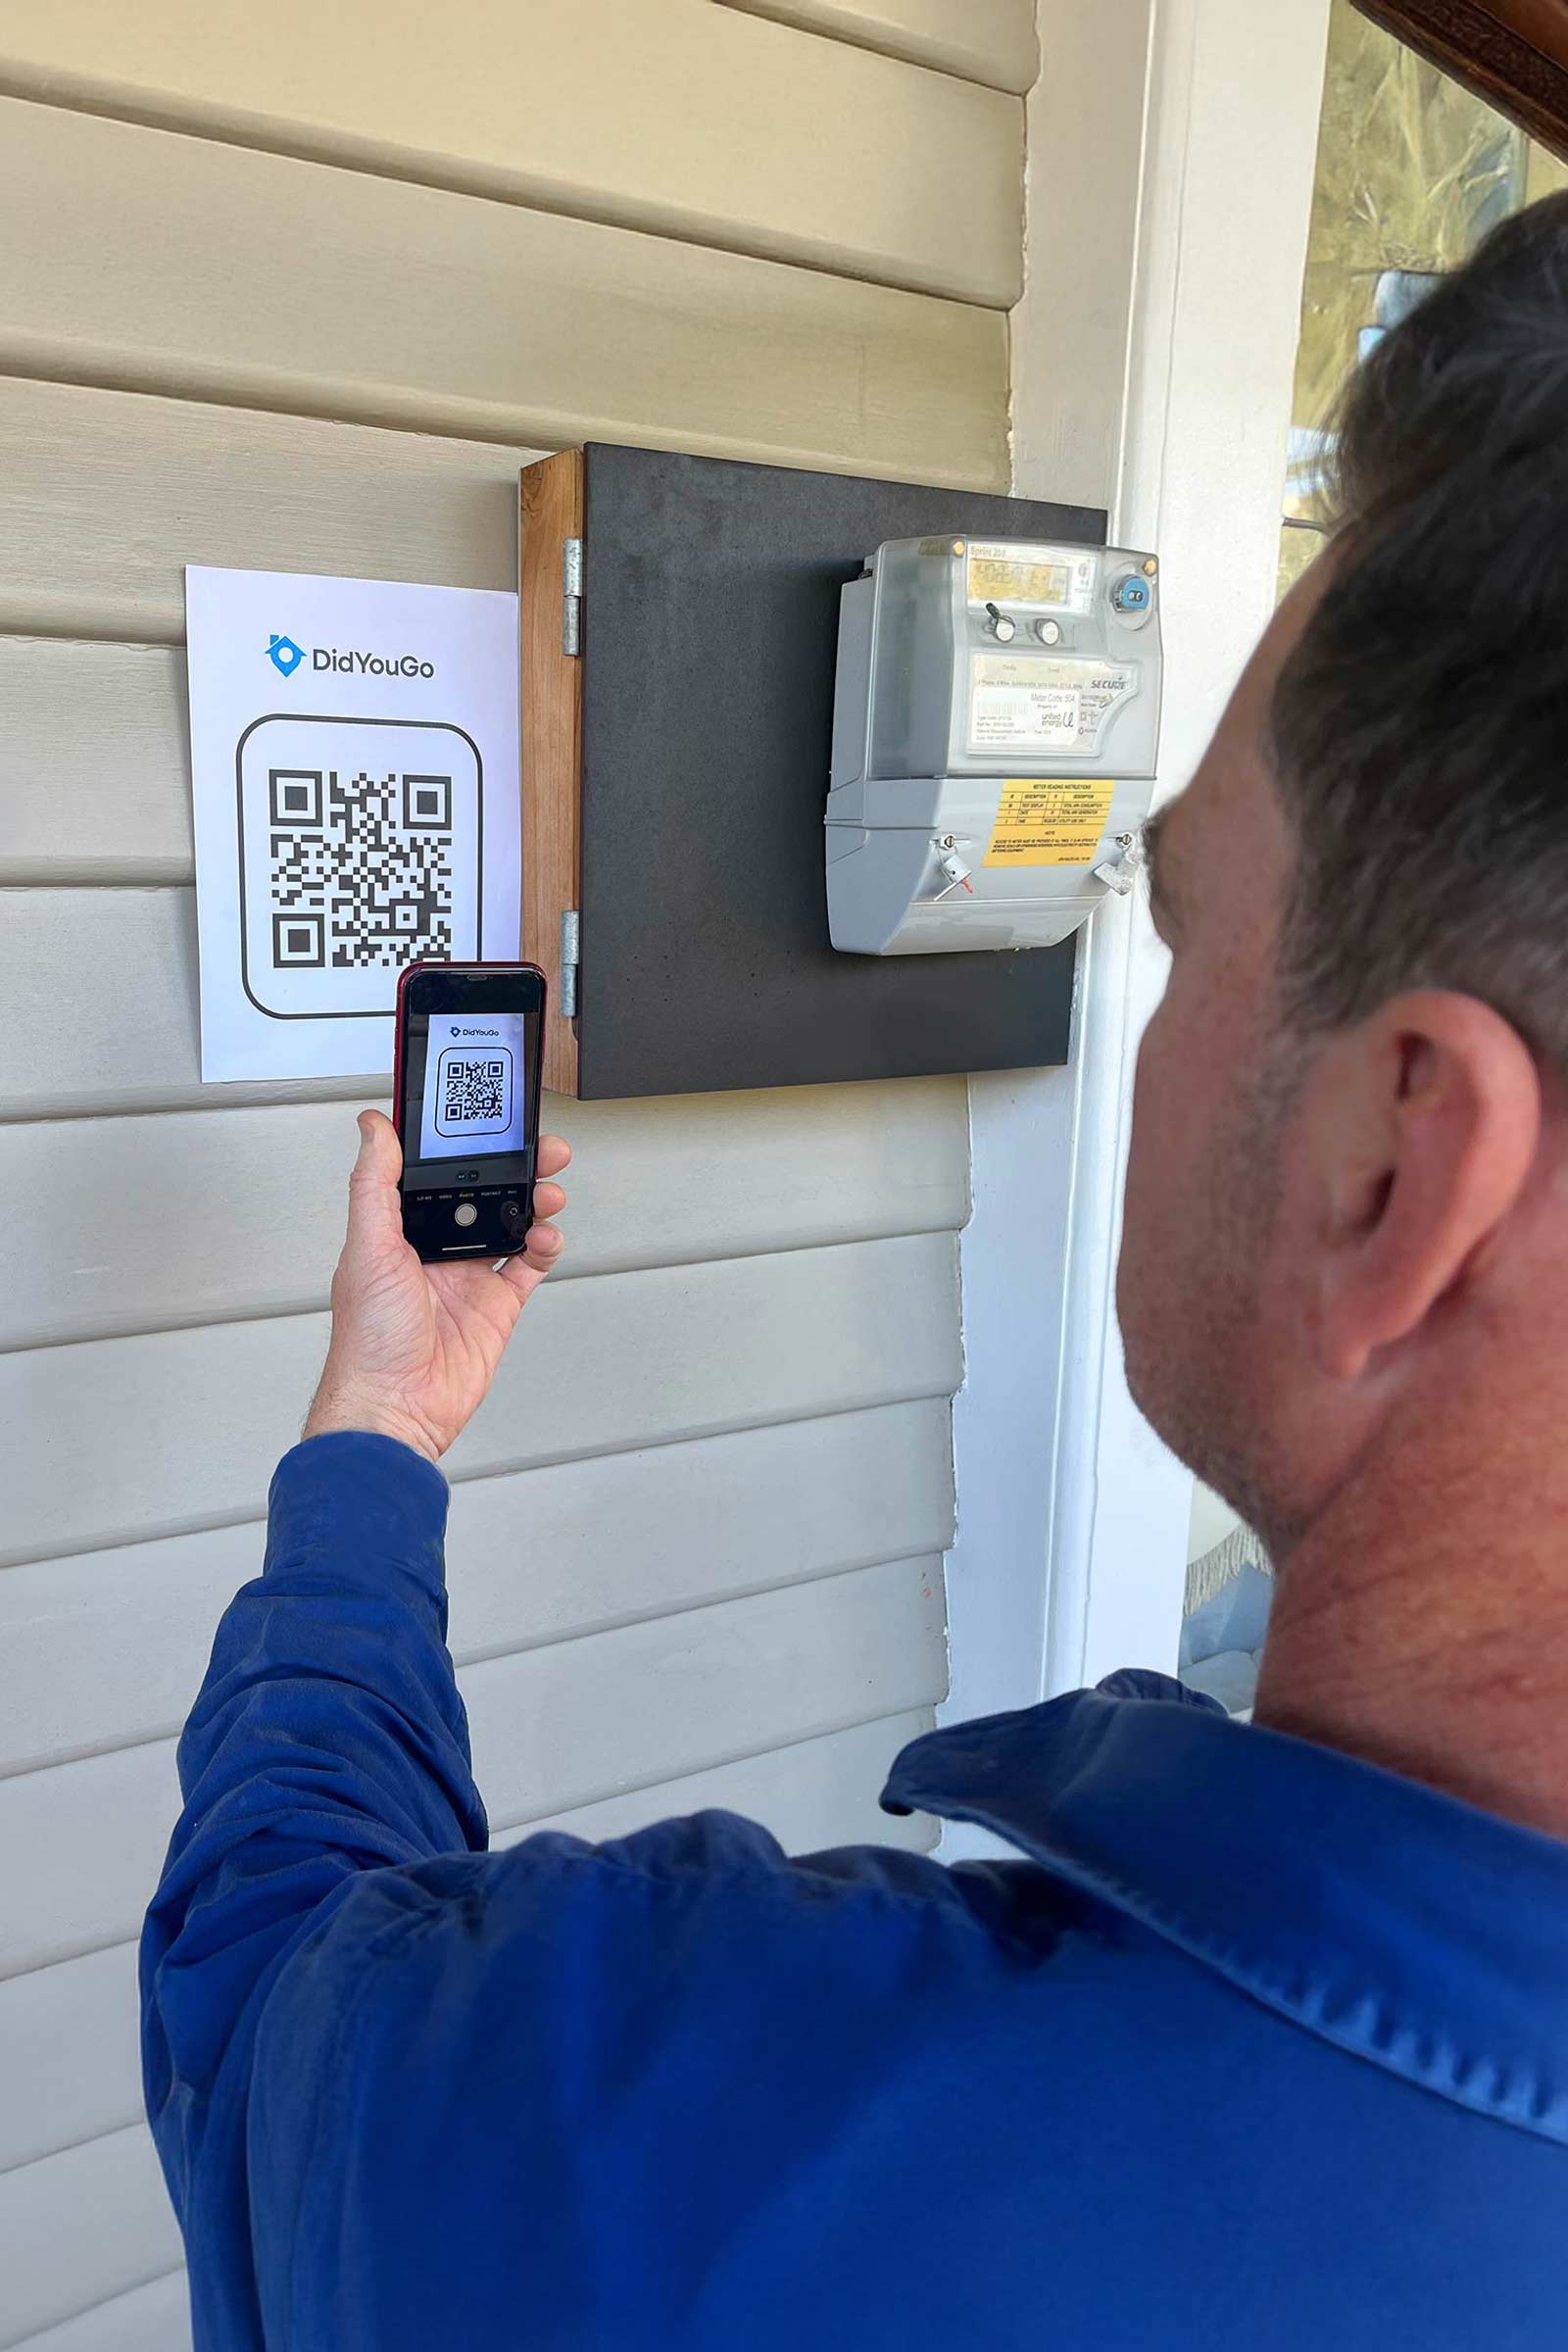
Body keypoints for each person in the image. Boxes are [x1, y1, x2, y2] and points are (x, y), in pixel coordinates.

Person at [145, 199, 1568, 2352]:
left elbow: (272, 2012)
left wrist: (374, 1440)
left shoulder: (708, 2147)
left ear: (1391, 1169)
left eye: (1170, 925)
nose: (1135, 991)